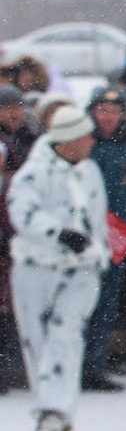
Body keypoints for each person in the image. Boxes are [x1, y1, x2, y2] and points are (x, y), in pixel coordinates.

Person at [7, 103, 109, 431]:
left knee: (66, 334)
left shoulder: (90, 172)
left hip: (81, 269)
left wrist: (98, 250)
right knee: (37, 338)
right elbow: (21, 214)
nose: (92, 142)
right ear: (70, 141)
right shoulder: (33, 174)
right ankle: (48, 406)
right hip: (36, 266)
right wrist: (59, 233)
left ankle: (57, 407)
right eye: (86, 137)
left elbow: (98, 217)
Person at [81, 86, 126, 391]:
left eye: (114, 112)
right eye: (102, 111)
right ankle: (74, 367)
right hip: (83, 240)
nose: (108, 118)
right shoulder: (84, 146)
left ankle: (95, 366)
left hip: (117, 242)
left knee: (107, 306)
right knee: (80, 306)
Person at [0, 82, 38, 392]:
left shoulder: (25, 139)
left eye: (17, 107)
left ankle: (14, 369)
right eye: (8, 108)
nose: (15, 114)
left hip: (16, 234)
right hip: (6, 231)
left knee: (13, 306)